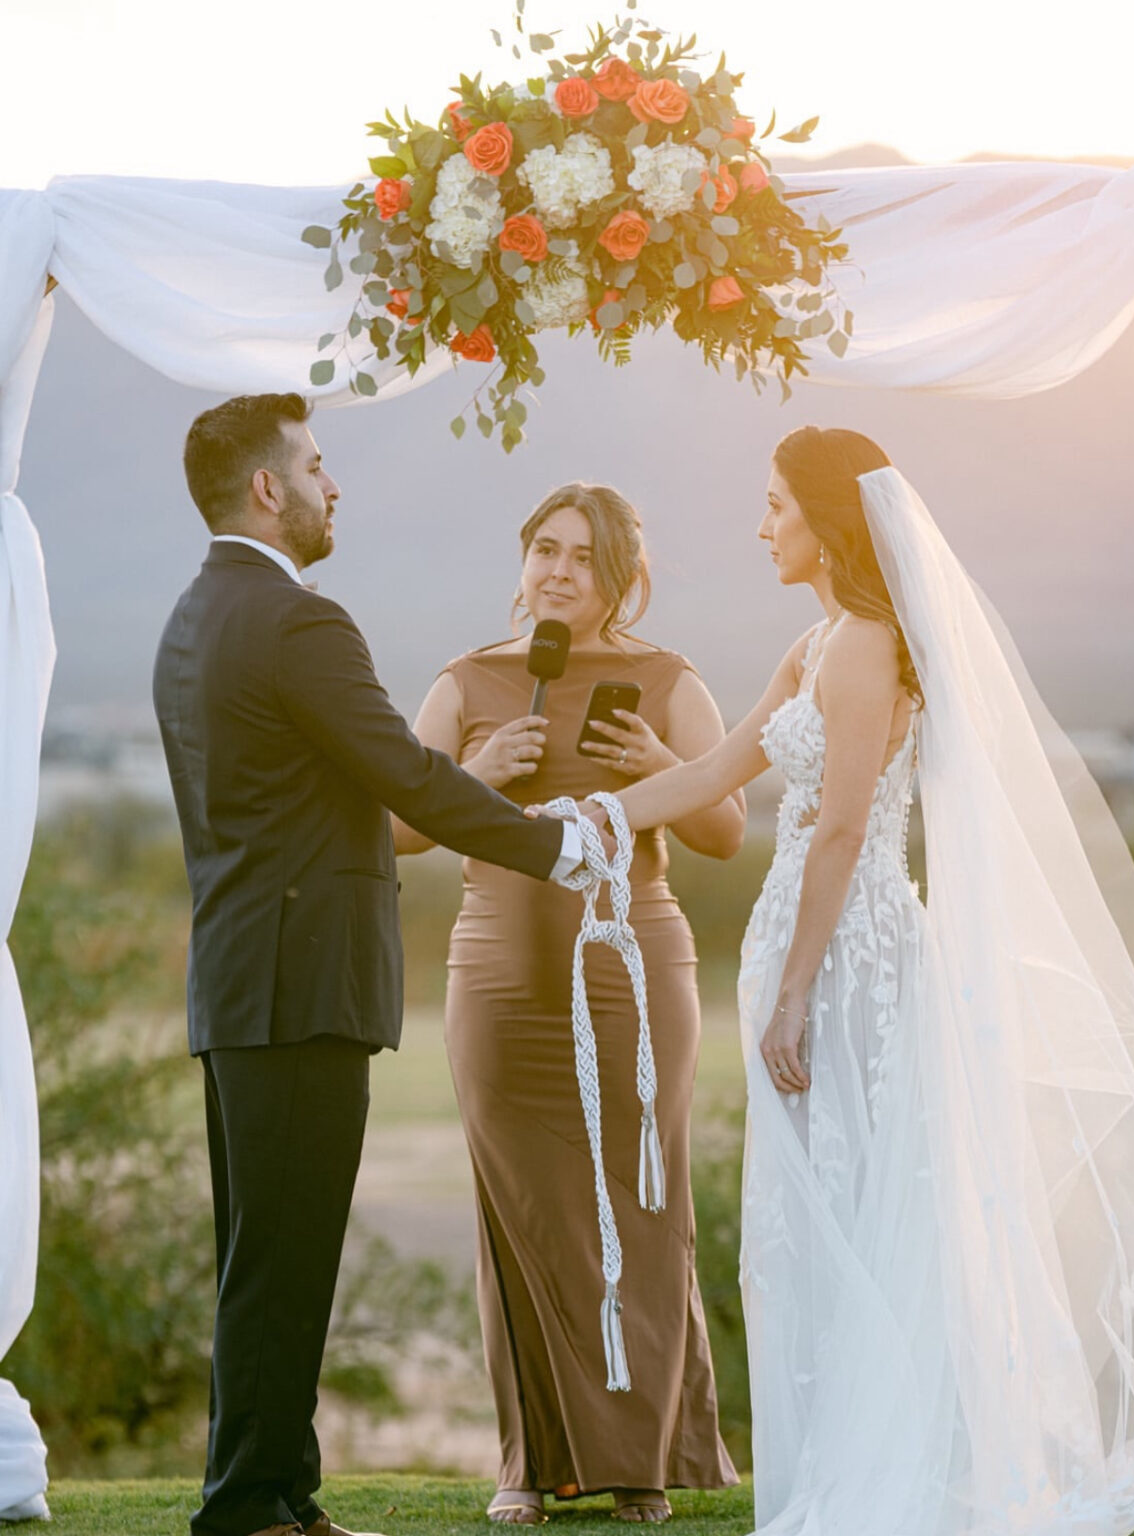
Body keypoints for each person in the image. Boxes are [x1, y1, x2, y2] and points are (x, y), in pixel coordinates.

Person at [568, 428, 1134, 1536]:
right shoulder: (814, 643)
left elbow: (841, 829)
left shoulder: (870, 644)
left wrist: (794, 992)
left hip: (851, 955)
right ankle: (838, 1455)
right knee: (808, 1205)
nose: (760, 525)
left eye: (775, 504)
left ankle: (896, 1465)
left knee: (870, 1199)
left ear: (826, 522)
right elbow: (719, 769)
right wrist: (584, 821)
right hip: (797, 941)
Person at [153, 394, 584, 1536]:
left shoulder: (191, 617)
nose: (332, 485)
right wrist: (562, 844)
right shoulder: (301, 624)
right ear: (267, 490)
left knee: (269, 1256)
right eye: (316, 465)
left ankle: (280, 1494)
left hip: (241, 980)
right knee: (283, 1264)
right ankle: (248, 1507)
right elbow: (409, 775)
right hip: (303, 985)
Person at [393, 482, 744, 1524]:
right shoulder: (467, 681)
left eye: (582, 558)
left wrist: (664, 766)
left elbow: (725, 829)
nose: (556, 570)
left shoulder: (668, 680)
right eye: (544, 549)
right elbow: (400, 828)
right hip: (498, 978)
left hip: (636, 969)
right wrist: (471, 775)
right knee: (523, 1214)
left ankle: (642, 1461)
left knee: (641, 1206)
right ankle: (529, 1463)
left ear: (621, 577)